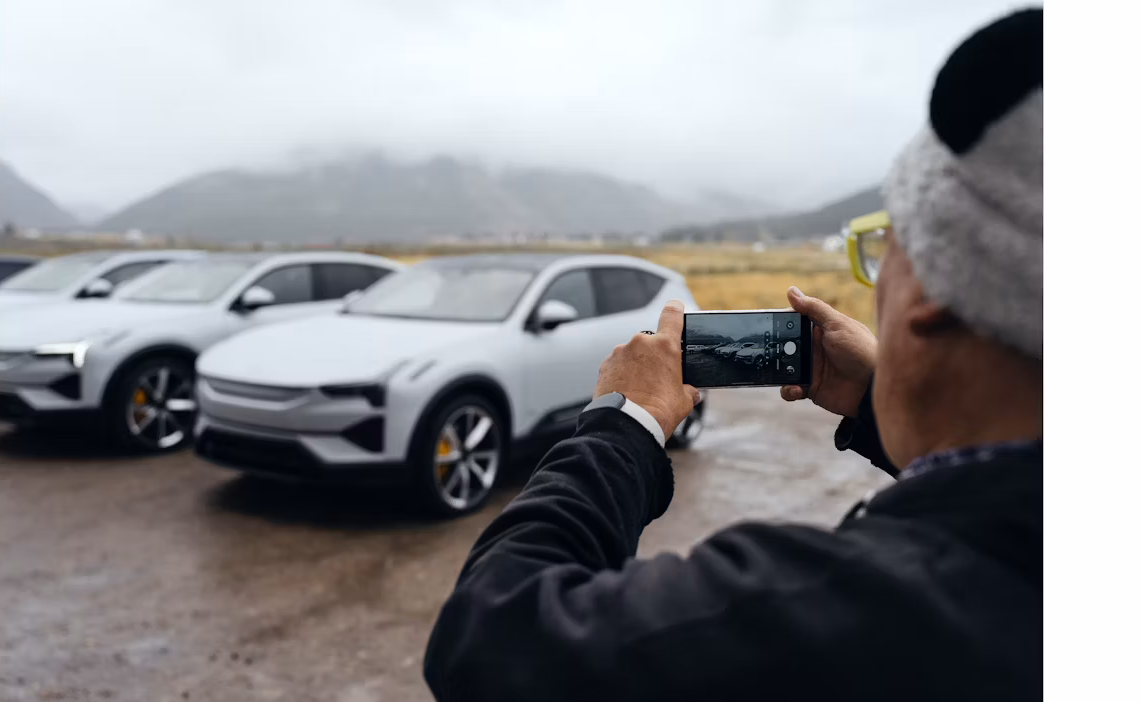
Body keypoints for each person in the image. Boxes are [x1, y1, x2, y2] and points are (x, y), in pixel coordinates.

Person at [423, 7, 1042, 702]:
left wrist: (624, 422)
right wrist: (878, 405)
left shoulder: (837, 609)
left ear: (931, 287)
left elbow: (492, 636)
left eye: (882, 251)